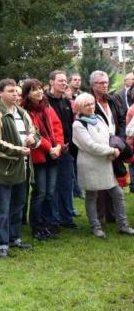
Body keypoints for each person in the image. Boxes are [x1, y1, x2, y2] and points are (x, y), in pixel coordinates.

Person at [0, 79, 39, 259]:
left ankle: (15, 238)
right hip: (4, 169)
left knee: (18, 206)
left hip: (22, 169)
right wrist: (18, 150)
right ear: (0, 93)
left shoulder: (22, 113)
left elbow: (35, 132)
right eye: (10, 91)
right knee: (3, 208)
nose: (15, 94)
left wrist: (32, 140)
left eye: (16, 91)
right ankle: (2, 243)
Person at [72, 93, 134, 238]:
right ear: (80, 107)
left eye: (92, 103)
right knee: (92, 195)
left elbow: (108, 135)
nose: (91, 107)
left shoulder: (98, 118)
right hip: (90, 165)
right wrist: (111, 150)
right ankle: (96, 226)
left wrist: (114, 149)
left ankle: (123, 224)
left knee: (117, 193)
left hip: (106, 162)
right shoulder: (78, 124)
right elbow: (89, 146)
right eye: (87, 105)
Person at [20, 79, 63, 241]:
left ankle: (48, 223)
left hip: (53, 155)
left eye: (40, 89)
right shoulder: (24, 111)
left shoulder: (47, 107)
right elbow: (33, 135)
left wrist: (58, 146)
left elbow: (58, 128)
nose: (39, 92)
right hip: (38, 156)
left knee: (50, 193)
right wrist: (49, 148)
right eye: (34, 90)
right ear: (27, 94)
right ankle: (37, 226)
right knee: (40, 192)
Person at [89, 70, 126, 223]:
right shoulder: (88, 102)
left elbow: (121, 120)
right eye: (101, 83)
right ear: (93, 85)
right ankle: (100, 216)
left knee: (115, 179)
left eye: (106, 82)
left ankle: (112, 215)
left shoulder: (112, 99)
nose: (105, 85)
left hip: (116, 145)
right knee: (100, 184)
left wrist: (120, 140)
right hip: (99, 147)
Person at [46, 71, 80, 230]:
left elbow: (69, 125)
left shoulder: (66, 102)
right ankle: (54, 219)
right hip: (51, 150)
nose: (64, 83)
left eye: (65, 81)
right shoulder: (45, 102)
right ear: (51, 82)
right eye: (60, 80)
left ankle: (67, 218)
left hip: (66, 150)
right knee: (52, 187)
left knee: (66, 185)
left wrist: (68, 144)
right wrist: (56, 145)